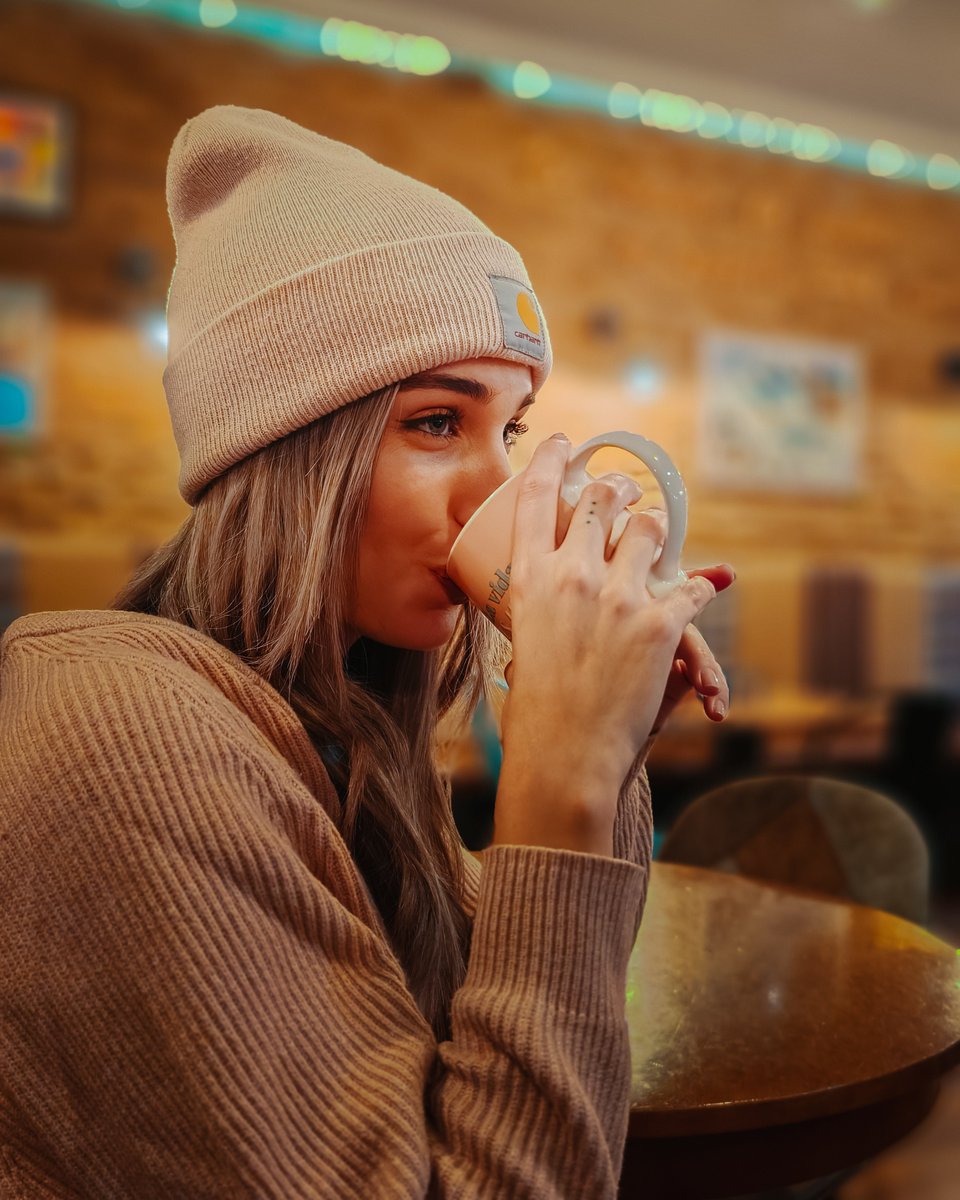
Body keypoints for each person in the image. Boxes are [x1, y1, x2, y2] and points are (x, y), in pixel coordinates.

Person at [0, 106, 732, 1198]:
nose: (504, 490)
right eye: (437, 422)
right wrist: (562, 785)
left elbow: (514, 1026)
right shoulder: (128, 738)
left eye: (513, 431)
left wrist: (602, 743)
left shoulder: (335, 716)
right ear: (288, 450)